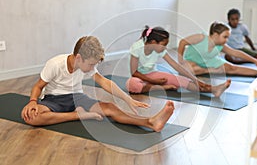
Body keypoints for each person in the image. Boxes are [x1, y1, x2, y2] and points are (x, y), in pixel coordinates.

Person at [21, 36, 175, 132]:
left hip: (77, 98)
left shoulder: (86, 65)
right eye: (91, 64)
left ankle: (150, 122)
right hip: (53, 99)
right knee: (32, 118)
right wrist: (32, 102)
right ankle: (78, 115)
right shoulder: (55, 64)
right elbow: (38, 86)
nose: (92, 68)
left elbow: (105, 82)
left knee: (110, 108)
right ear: (79, 58)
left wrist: (128, 99)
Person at [126, 26, 231, 98]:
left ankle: (214, 89)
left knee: (182, 80)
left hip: (153, 75)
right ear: (153, 42)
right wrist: (155, 82)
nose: (165, 47)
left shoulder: (160, 50)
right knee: (132, 84)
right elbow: (134, 72)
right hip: (140, 77)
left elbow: (175, 65)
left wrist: (194, 79)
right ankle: (160, 88)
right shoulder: (137, 47)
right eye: (164, 45)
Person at [177, 22, 257, 77]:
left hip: (209, 62)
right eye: (225, 37)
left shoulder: (221, 45)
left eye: (228, 37)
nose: (226, 40)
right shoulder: (201, 38)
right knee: (189, 70)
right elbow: (182, 42)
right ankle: (209, 70)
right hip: (192, 61)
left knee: (232, 68)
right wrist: (180, 60)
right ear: (215, 35)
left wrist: (255, 60)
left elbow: (236, 53)